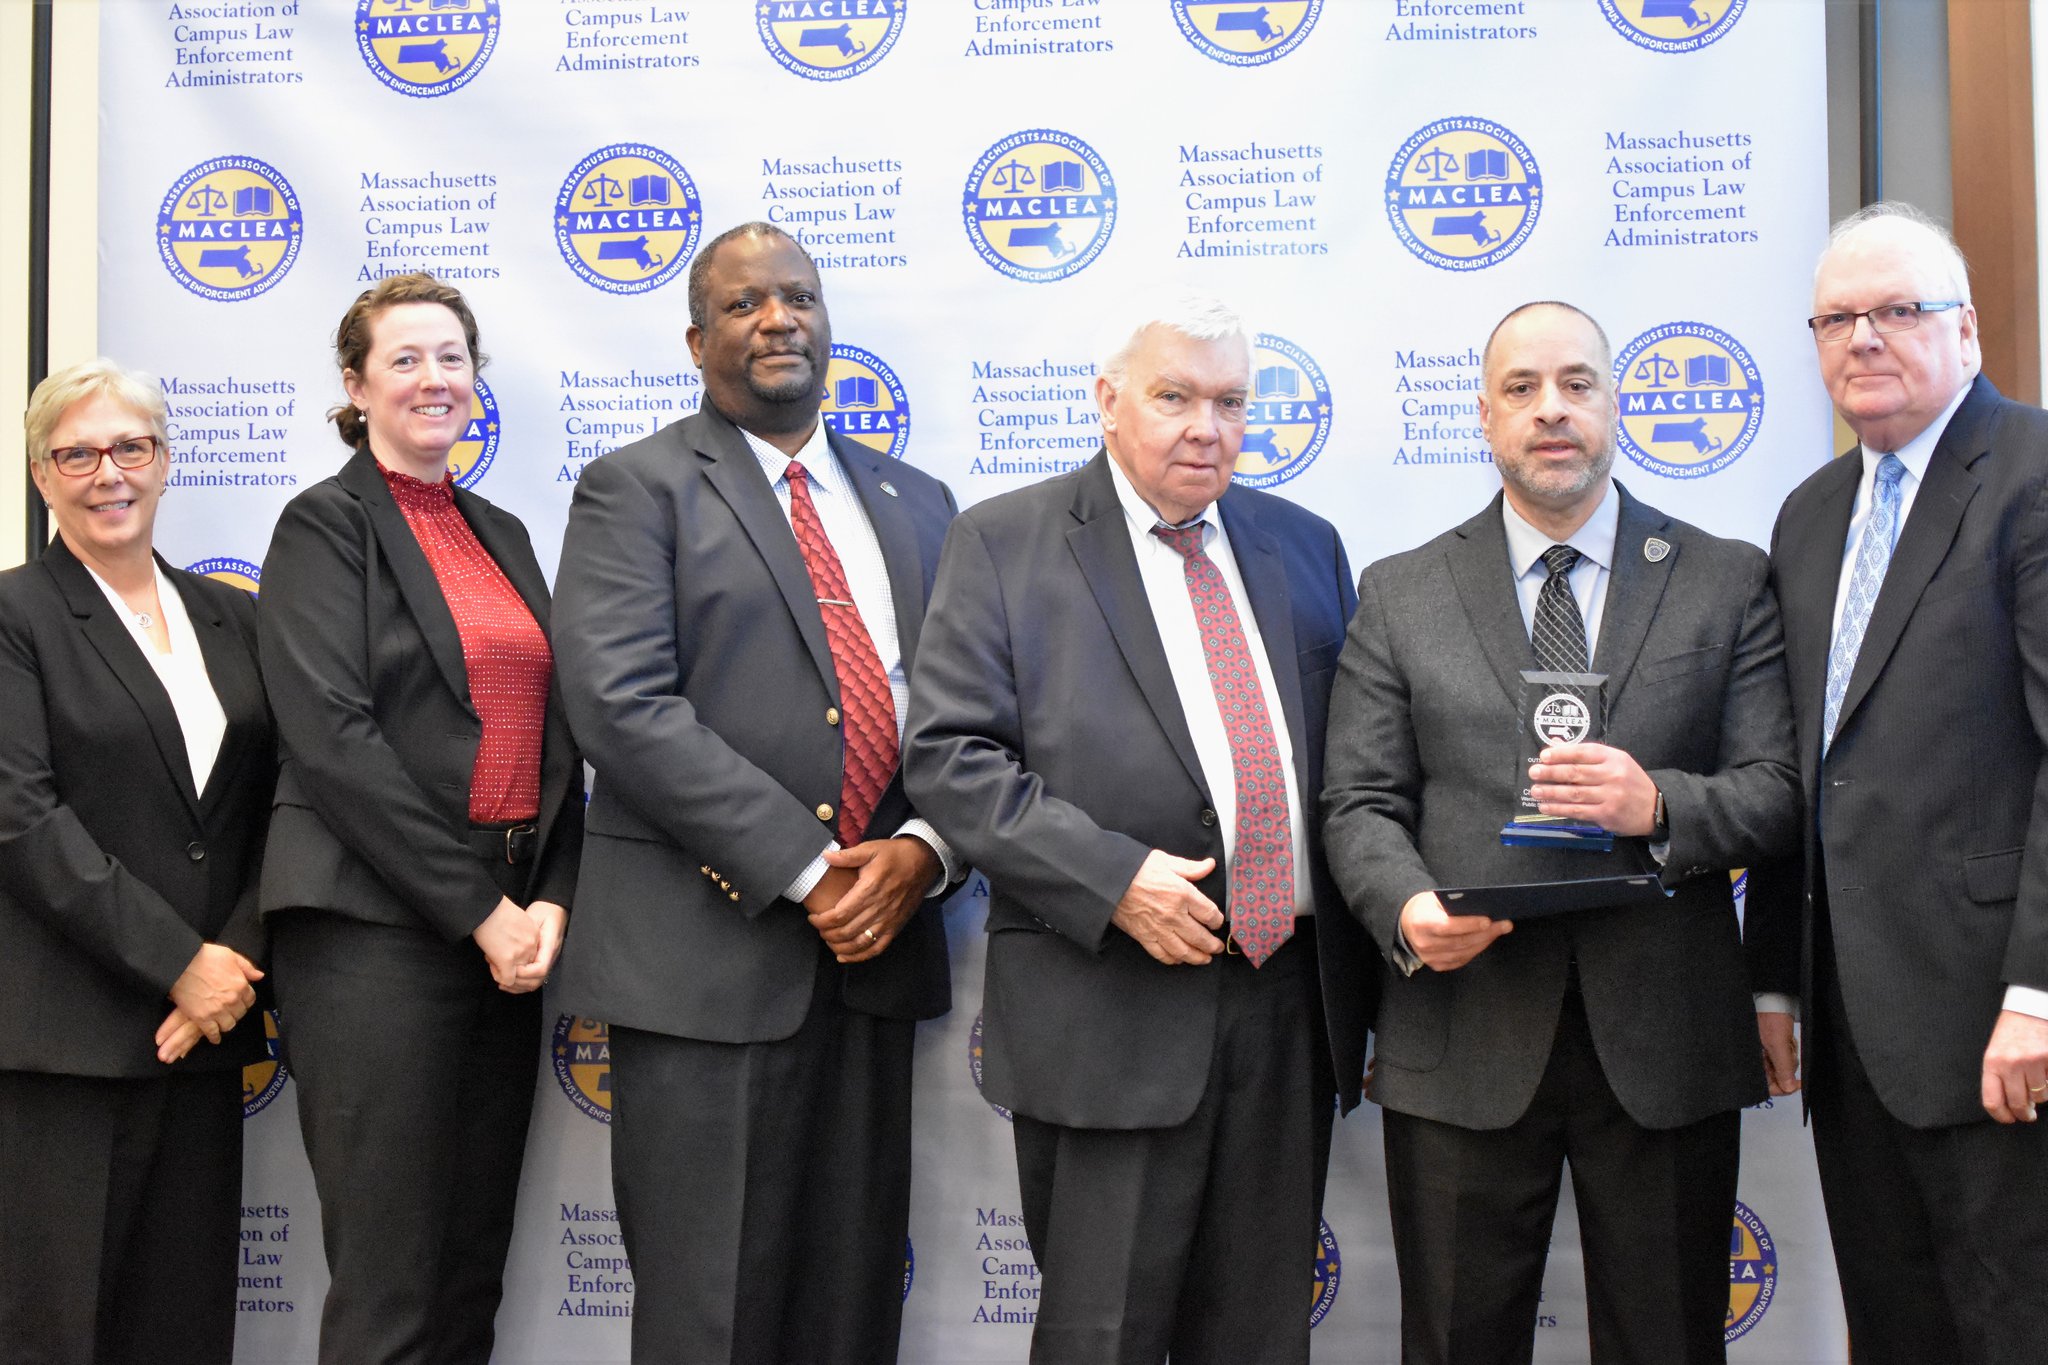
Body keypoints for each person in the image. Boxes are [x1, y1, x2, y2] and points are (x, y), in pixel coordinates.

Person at [1320, 300, 1800, 1364]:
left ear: (1614, 404)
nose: (1551, 410)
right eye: (1522, 388)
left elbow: (1774, 791)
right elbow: (1357, 800)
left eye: (1577, 384)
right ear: (1483, 416)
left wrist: (1659, 805)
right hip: (1462, 1030)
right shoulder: (1400, 591)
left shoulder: (1724, 578)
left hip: (1666, 1036)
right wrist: (1405, 908)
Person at [903, 289, 1372, 1364]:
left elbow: (1352, 764)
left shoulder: (1305, 545)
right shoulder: (1005, 542)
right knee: (1100, 1337)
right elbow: (951, 758)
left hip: (1286, 1008)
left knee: (1260, 1340)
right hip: (1108, 1010)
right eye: (1174, 397)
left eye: (1230, 401)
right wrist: (1111, 880)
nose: (1207, 427)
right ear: (1107, 399)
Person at [549, 221, 960, 1365]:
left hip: (877, 961)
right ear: (696, 342)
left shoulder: (918, 501)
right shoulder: (634, 488)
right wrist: (806, 870)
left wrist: (925, 851)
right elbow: (620, 706)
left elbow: (970, 712)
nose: (777, 319)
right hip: (705, 967)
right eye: (742, 304)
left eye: (798, 297)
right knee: (712, 1316)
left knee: (849, 1309)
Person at [257, 274, 584, 1365]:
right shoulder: (325, 523)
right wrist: (481, 910)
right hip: (373, 933)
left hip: (506, 932)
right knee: (390, 1282)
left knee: (467, 1269)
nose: (434, 378)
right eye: (404, 360)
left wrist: (548, 896)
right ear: (355, 389)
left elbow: (560, 732)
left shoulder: (503, 532)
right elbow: (332, 741)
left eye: (452, 357)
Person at [1745, 202, 2048, 1362]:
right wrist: (1774, 980)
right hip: (1852, 1033)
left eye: (1896, 311)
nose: (1861, 338)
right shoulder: (1809, 515)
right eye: (1835, 319)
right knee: (1893, 1332)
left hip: (1996, 1025)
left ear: (1963, 330)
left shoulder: (2030, 474)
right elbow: (1805, 766)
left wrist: (2036, 994)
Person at [0, 359, 276, 1364]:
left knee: (185, 1330)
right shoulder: (16, 615)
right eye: (77, 454)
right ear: (42, 475)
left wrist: (231, 964)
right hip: (68, 1045)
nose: (108, 473)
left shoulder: (233, 617)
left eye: (130, 447)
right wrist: (179, 962)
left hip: (205, 1037)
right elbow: (20, 819)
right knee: (57, 1333)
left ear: (164, 461)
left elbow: (281, 806)